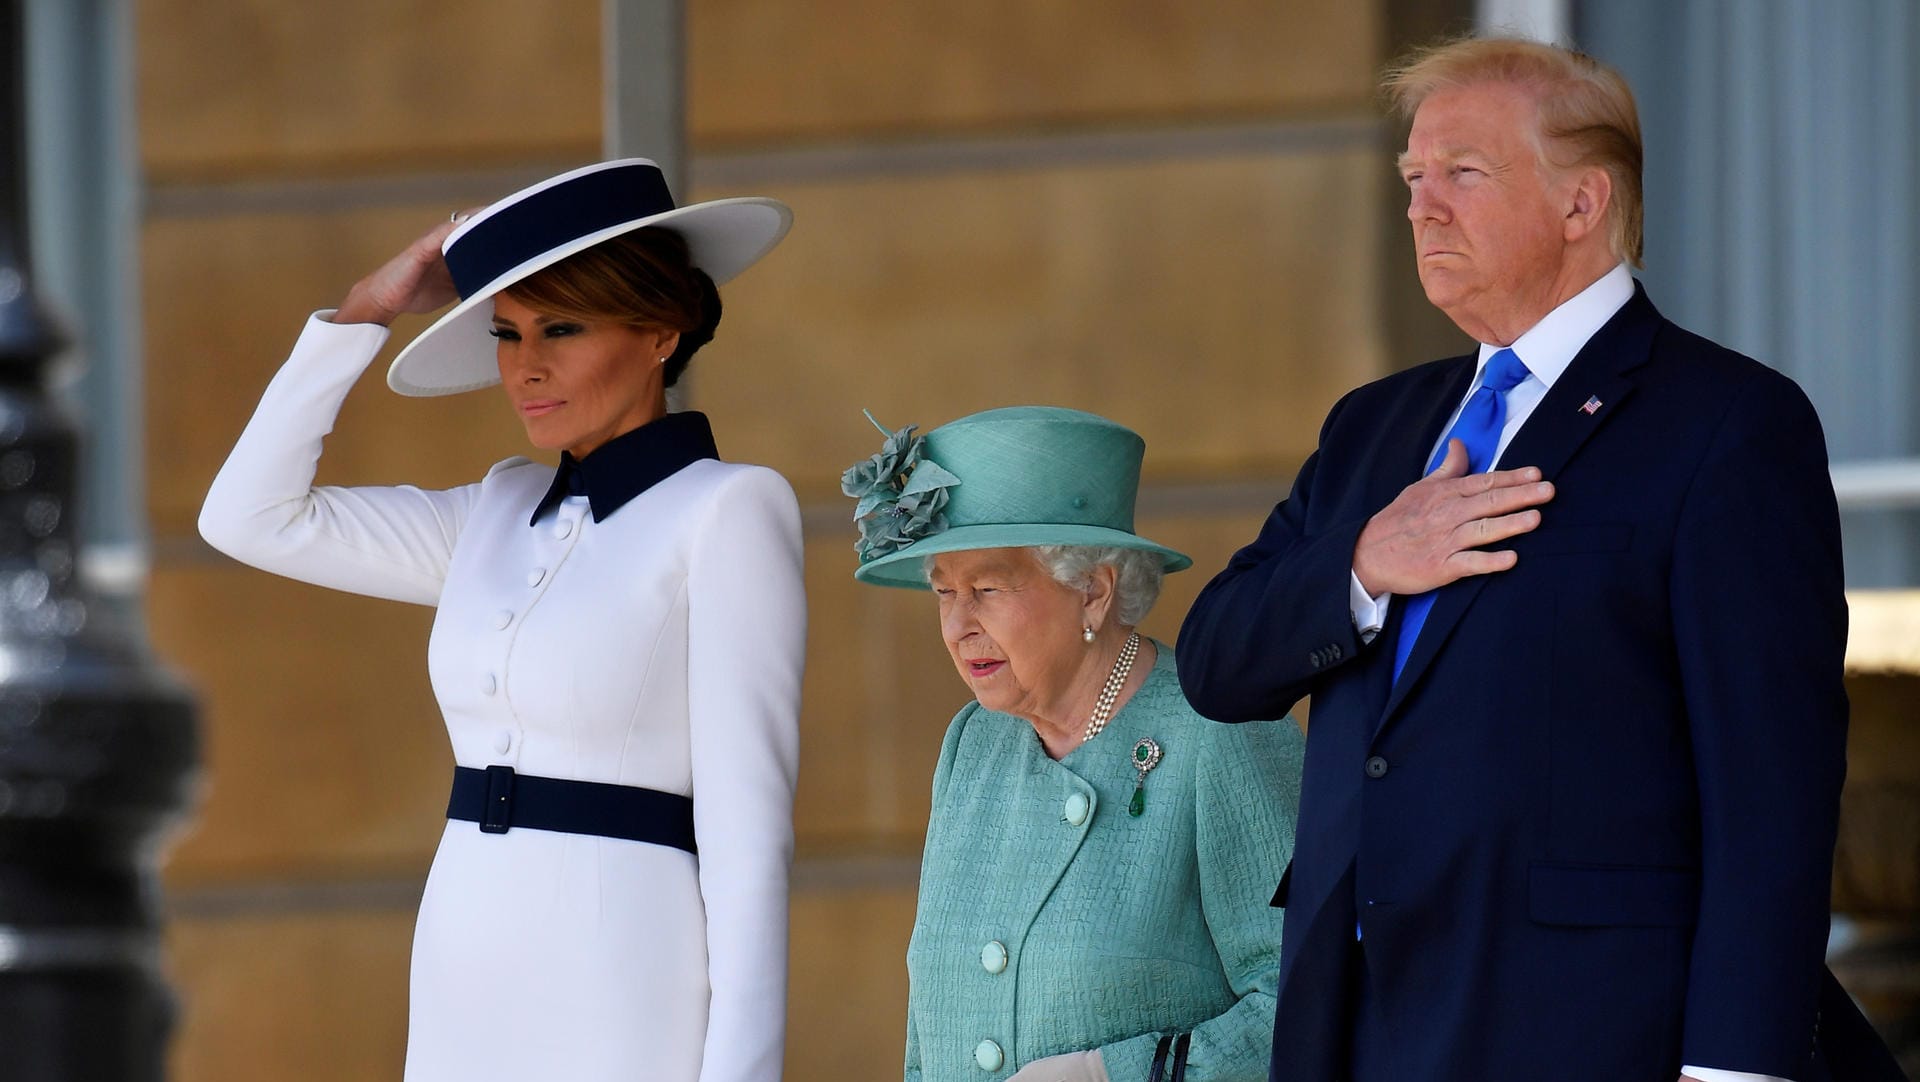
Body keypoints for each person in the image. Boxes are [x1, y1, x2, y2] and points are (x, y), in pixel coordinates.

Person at [1176, 37, 1903, 1082]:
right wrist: (1370, 560)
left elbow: (1771, 796)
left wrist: (1737, 1069)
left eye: (1462, 175)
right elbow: (1216, 660)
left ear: (1582, 204)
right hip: (1361, 1027)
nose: (1423, 207)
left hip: (1599, 1038)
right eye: (1413, 179)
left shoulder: (1728, 423)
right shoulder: (1374, 428)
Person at [198, 159, 805, 1082]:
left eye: (562, 328)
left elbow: (749, 837)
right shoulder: (491, 510)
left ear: (660, 333)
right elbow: (247, 517)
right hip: (462, 948)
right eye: (507, 332)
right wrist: (364, 312)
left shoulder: (730, 509)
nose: (526, 364)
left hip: (623, 962)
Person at [844, 406, 1305, 1082]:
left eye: (986, 589)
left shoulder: (1220, 726)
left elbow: (1307, 996)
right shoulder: (974, 744)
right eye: (944, 592)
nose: (958, 626)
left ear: (1092, 590)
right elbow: (931, 1027)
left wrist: (1110, 1074)